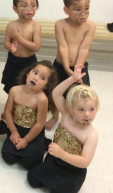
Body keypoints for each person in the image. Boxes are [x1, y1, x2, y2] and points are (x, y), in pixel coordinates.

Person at [28, 65, 99, 193]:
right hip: (54, 161)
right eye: (81, 110)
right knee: (32, 180)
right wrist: (72, 78)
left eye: (91, 109)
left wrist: (62, 154)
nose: (87, 115)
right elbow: (56, 93)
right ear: (71, 108)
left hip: (72, 170)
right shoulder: (66, 115)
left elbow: (84, 162)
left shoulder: (91, 135)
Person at [45, 0, 96, 131]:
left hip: (80, 67)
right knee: (56, 92)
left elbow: (84, 48)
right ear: (66, 10)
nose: (83, 13)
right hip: (62, 65)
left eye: (87, 9)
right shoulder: (60, 24)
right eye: (77, 9)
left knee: (82, 95)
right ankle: (55, 117)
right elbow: (63, 46)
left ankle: (79, 119)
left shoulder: (90, 26)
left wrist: (77, 69)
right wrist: (67, 68)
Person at [1, 61, 58, 170]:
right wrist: (13, 131)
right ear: (27, 74)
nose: (36, 78)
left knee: (29, 163)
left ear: (46, 86)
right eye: (35, 73)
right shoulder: (14, 90)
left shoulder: (41, 99)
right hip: (16, 128)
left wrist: (26, 140)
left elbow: (39, 124)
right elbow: (7, 112)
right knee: (8, 158)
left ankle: (42, 143)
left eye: (42, 78)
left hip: (33, 133)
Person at [1, 0, 41, 94]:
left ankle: (24, 106)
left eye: (33, 6)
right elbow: (6, 42)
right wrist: (9, 46)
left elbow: (36, 47)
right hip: (12, 61)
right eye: (24, 5)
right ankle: (10, 107)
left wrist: (20, 39)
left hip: (29, 62)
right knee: (11, 85)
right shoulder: (11, 25)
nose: (29, 9)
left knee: (27, 86)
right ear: (15, 9)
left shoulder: (35, 26)